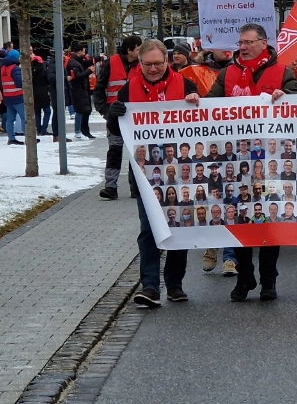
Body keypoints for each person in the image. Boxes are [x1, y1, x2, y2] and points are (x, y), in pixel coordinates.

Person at [210, 23, 297, 303]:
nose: (242, 47)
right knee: (240, 220)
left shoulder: (283, 72)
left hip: (270, 161)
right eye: (240, 43)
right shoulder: (227, 73)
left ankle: (269, 279)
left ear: (263, 43)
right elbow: (209, 106)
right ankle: (245, 275)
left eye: (248, 42)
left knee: (270, 220)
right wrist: (194, 100)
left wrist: (288, 97)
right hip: (236, 162)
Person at [110, 39, 201, 307]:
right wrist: (113, 115)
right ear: (139, 63)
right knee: (148, 230)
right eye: (147, 64)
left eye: (158, 63)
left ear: (167, 61)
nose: (153, 68)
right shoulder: (129, 90)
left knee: (179, 226)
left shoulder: (185, 85)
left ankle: (174, 284)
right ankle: (150, 286)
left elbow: (205, 124)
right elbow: (118, 132)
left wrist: (197, 103)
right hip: (144, 174)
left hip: (180, 171)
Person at [95, 36, 142, 200]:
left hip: (136, 118)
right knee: (114, 151)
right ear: (130, 50)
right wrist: (104, 111)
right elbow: (99, 87)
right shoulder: (111, 63)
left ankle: (136, 188)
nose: (140, 52)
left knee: (136, 153)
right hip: (115, 116)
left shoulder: (143, 65)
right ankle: (110, 187)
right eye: (138, 49)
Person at [0, 49, 26, 146]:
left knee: (10, 119)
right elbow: (19, 83)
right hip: (18, 96)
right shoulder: (15, 68)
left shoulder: (3, 68)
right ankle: (28, 137)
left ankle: (11, 138)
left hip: (8, 96)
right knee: (24, 118)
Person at [67, 44, 94, 140]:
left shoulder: (77, 62)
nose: (84, 53)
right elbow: (77, 77)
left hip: (81, 90)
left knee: (84, 110)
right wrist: (88, 71)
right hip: (78, 90)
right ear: (79, 52)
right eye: (83, 51)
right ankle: (78, 131)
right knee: (80, 111)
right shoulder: (73, 63)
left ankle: (83, 131)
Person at [31, 51, 51, 137]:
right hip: (43, 93)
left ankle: (38, 129)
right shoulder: (44, 71)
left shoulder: (30, 72)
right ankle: (44, 129)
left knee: (37, 112)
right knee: (47, 112)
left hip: (34, 94)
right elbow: (48, 82)